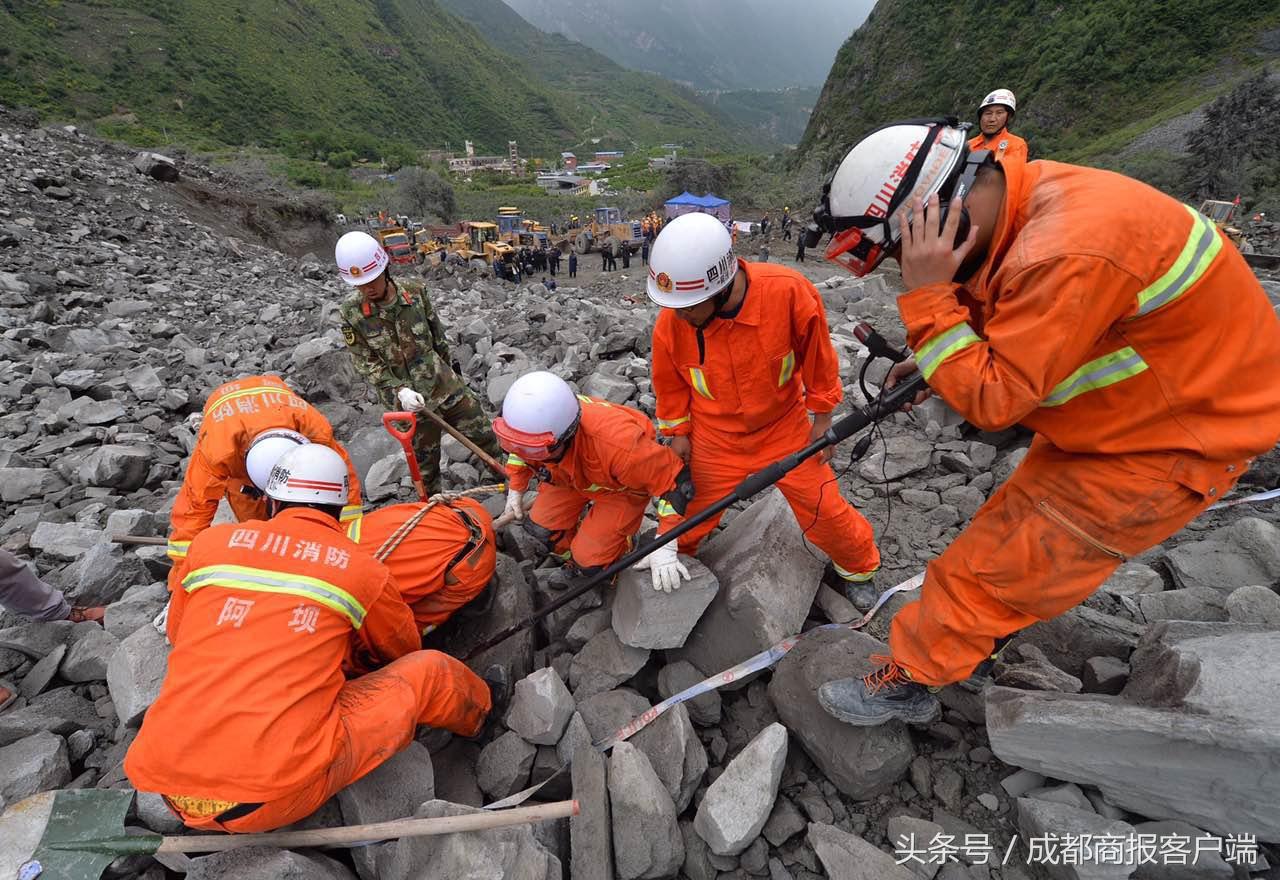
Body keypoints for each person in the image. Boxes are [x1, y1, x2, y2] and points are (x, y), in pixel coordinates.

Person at [808, 117, 1280, 726]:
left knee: (994, 568)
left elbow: (995, 401)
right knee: (1005, 540)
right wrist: (938, 359)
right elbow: (1022, 315)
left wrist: (928, 302)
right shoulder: (1026, 203)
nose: (906, 264)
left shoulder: (1064, 249)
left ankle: (912, 681)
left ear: (933, 217)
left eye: (901, 252)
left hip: (1173, 445)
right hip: (1134, 417)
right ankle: (970, 642)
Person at [125, 445, 493, 833]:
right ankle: (485, 717)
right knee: (430, 672)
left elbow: (181, 634)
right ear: (341, 510)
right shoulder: (360, 570)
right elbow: (399, 652)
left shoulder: (209, 546)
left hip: (168, 790)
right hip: (267, 797)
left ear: (268, 502)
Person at [645, 213, 881, 597]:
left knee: (826, 512)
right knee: (683, 520)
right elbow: (669, 384)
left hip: (783, 431)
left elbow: (818, 359)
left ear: (718, 288)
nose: (679, 314)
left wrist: (823, 418)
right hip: (714, 438)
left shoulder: (787, 292)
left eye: (688, 306)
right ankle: (670, 575)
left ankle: (859, 570)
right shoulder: (673, 323)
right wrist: (677, 434)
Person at [493, 372, 694, 592]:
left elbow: (676, 483)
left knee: (590, 564)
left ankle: (613, 553)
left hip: (620, 489)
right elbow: (520, 451)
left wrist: (665, 542)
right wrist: (516, 485)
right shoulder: (535, 426)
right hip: (567, 476)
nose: (526, 453)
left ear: (565, 435)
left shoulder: (624, 450)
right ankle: (580, 547)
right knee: (541, 531)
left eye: (534, 449)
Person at [335, 231, 501, 497]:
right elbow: (366, 363)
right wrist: (399, 390)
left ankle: (508, 480)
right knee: (425, 468)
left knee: (483, 434)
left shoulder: (415, 292)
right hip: (407, 408)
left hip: (445, 388)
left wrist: (451, 376)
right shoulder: (351, 314)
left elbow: (438, 337)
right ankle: (434, 510)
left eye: (372, 279)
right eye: (360, 284)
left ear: (384, 269)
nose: (368, 288)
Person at [166, 375, 362, 574]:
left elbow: (345, 486)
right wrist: (182, 576)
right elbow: (193, 513)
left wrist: (347, 544)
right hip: (234, 435)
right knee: (255, 525)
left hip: (272, 411)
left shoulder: (313, 429)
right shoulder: (218, 451)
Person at [347, 497, 497, 635]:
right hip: (459, 508)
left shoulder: (364, 604)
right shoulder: (332, 536)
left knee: (413, 625)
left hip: (474, 563)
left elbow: (396, 637)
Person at [968, 89, 1028, 166]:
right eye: (988, 113)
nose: (992, 119)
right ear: (980, 117)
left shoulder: (1016, 145)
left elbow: (1011, 176)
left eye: (999, 113)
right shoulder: (968, 145)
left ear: (1008, 117)